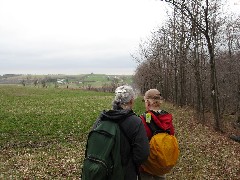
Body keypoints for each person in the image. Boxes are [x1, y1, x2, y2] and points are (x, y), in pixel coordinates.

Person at [92, 85, 150, 180]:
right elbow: (143, 153)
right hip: (126, 174)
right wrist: (130, 165)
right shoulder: (135, 121)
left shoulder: (102, 118)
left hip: (103, 172)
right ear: (131, 101)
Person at [140, 89, 175, 180]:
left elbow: (140, 143)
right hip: (161, 163)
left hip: (146, 166)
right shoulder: (167, 118)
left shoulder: (143, 119)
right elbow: (172, 134)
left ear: (147, 102)